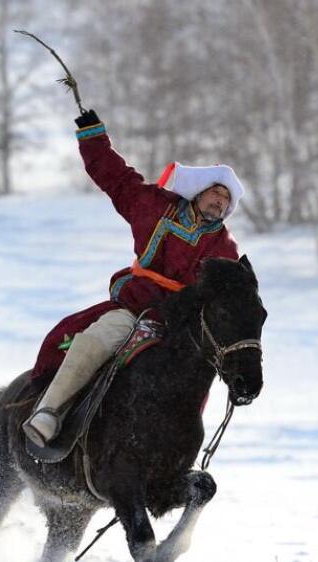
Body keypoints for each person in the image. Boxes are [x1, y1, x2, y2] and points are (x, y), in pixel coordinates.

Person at [23, 109, 245, 447]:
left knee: (192, 379)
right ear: (200, 191)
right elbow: (116, 178)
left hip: (179, 329)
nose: (220, 201)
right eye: (216, 192)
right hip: (134, 309)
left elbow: (229, 305)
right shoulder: (155, 206)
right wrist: (92, 134)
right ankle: (50, 412)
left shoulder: (225, 248)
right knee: (95, 339)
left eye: (227, 198)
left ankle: (181, 453)